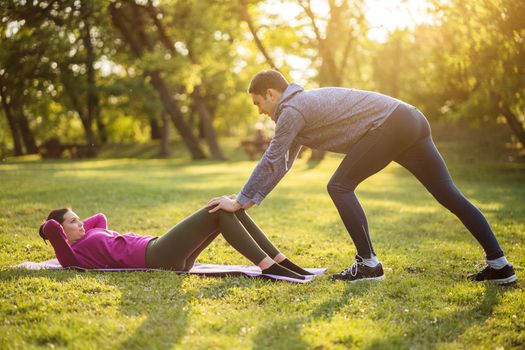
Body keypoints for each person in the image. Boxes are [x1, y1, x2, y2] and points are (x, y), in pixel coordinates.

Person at [207, 70, 516, 285]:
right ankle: (500, 265)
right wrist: (249, 199)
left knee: (339, 186)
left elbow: (273, 156)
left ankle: (368, 264)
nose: (260, 111)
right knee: (450, 195)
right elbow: (283, 162)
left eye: (258, 102)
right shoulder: (299, 109)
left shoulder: (292, 110)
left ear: (271, 93)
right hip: (411, 119)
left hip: (391, 125)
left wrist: (241, 201)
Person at [38, 200, 313, 280]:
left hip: (169, 255)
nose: (81, 223)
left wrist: (75, 224)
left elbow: (99, 217)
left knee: (228, 208)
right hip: (157, 255)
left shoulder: (87, 235)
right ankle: (271, 265)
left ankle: (278, 261)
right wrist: (57, 230)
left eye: (78, 219)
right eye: (73, 222)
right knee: (217, 208)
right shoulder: (72, 255)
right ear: (61, 232)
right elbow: (51, 226)